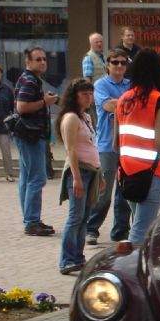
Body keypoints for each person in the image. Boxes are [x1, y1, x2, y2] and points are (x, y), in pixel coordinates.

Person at [115, 48, 160, 247]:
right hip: (151, 174)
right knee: (141, 232)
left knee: (140, 226)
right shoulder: (158, 100)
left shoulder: (123, 99)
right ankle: (130, 265)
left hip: (126, 174)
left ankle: (140, 263)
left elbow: (114, 142)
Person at [84, 49, 132, 245]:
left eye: (123, 62)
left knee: (125, 190)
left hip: (128, 143)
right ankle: (91, 229)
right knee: (104, 190)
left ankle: (120, 231)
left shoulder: (130, 84)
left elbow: (125, 105)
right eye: (115, 62)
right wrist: (127, 103)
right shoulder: (100, 84)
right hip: (106, 144)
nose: (119, 66)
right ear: (108, 65)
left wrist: (117, 103)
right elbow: (107, 106)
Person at [57, 78, 103, 275]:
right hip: (79, 171)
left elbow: (92, 145)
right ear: (74, 96)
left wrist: (100, 174)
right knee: (75, 216)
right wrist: (76, 177)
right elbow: (71, 149)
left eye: (90, 94)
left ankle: (77, 256)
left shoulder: (85, 116)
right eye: (84, 94)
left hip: (91, 170)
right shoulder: (71, 118)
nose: (88, 98)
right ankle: (67, 260)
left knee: (84, 216)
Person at [14, 46, 58, 236]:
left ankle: (30, 220)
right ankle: (32, 221)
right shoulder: (29, 80)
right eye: (38, 59)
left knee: (27, 177)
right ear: (28, 62)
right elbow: (22, 107)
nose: (42, 62)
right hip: (30, 135)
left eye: (44, 59)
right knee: (37, 178)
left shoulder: (32, 79)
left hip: (30, 135)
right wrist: (45, 102)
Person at [0, 62, 15, 181]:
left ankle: (9, 174)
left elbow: (11, 107)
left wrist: (11, 121)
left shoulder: (6, 89)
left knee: (6, 150)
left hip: (3, 124)